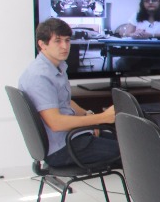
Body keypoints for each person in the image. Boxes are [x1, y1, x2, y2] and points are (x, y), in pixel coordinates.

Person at [18, 18, 119, 167]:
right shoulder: (39, 76)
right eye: (57, 41)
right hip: (62, 148)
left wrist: (87, 114)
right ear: (42, 44)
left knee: (128, 142)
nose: (64, 46)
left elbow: (64, 101)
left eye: (67, 40)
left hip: (69, 139)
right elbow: (56, 123)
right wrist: (101, 118)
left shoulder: (55, 67)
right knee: (136, 152)